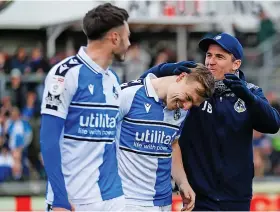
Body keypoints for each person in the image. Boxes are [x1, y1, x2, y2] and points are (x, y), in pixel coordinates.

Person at [141, 32, 280, 211]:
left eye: (219, 57)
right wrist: (164, 68)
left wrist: (248, 97)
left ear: (236, 64)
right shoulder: (193, 90)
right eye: (208, 55)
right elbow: (143, 87)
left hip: (236, 199)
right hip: (198, 198)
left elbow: (273, 124)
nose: (210, 61)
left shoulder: (250, 92)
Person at [40, 3, 131, 211]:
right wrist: (60, 199)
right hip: (74, 200)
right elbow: (48, 140)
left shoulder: (113, 80)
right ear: (115, 38)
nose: (129, 42)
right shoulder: (64, 74)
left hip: (112, 198)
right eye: (127, 36)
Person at [117, 64, 215, 211]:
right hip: (129, 200)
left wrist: (182, 182)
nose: (186, 106)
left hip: (164, 201)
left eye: (192, 104)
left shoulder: (181, 111)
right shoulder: (127, 94)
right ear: (181, 77)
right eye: (188, 97)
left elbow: (173, 145)